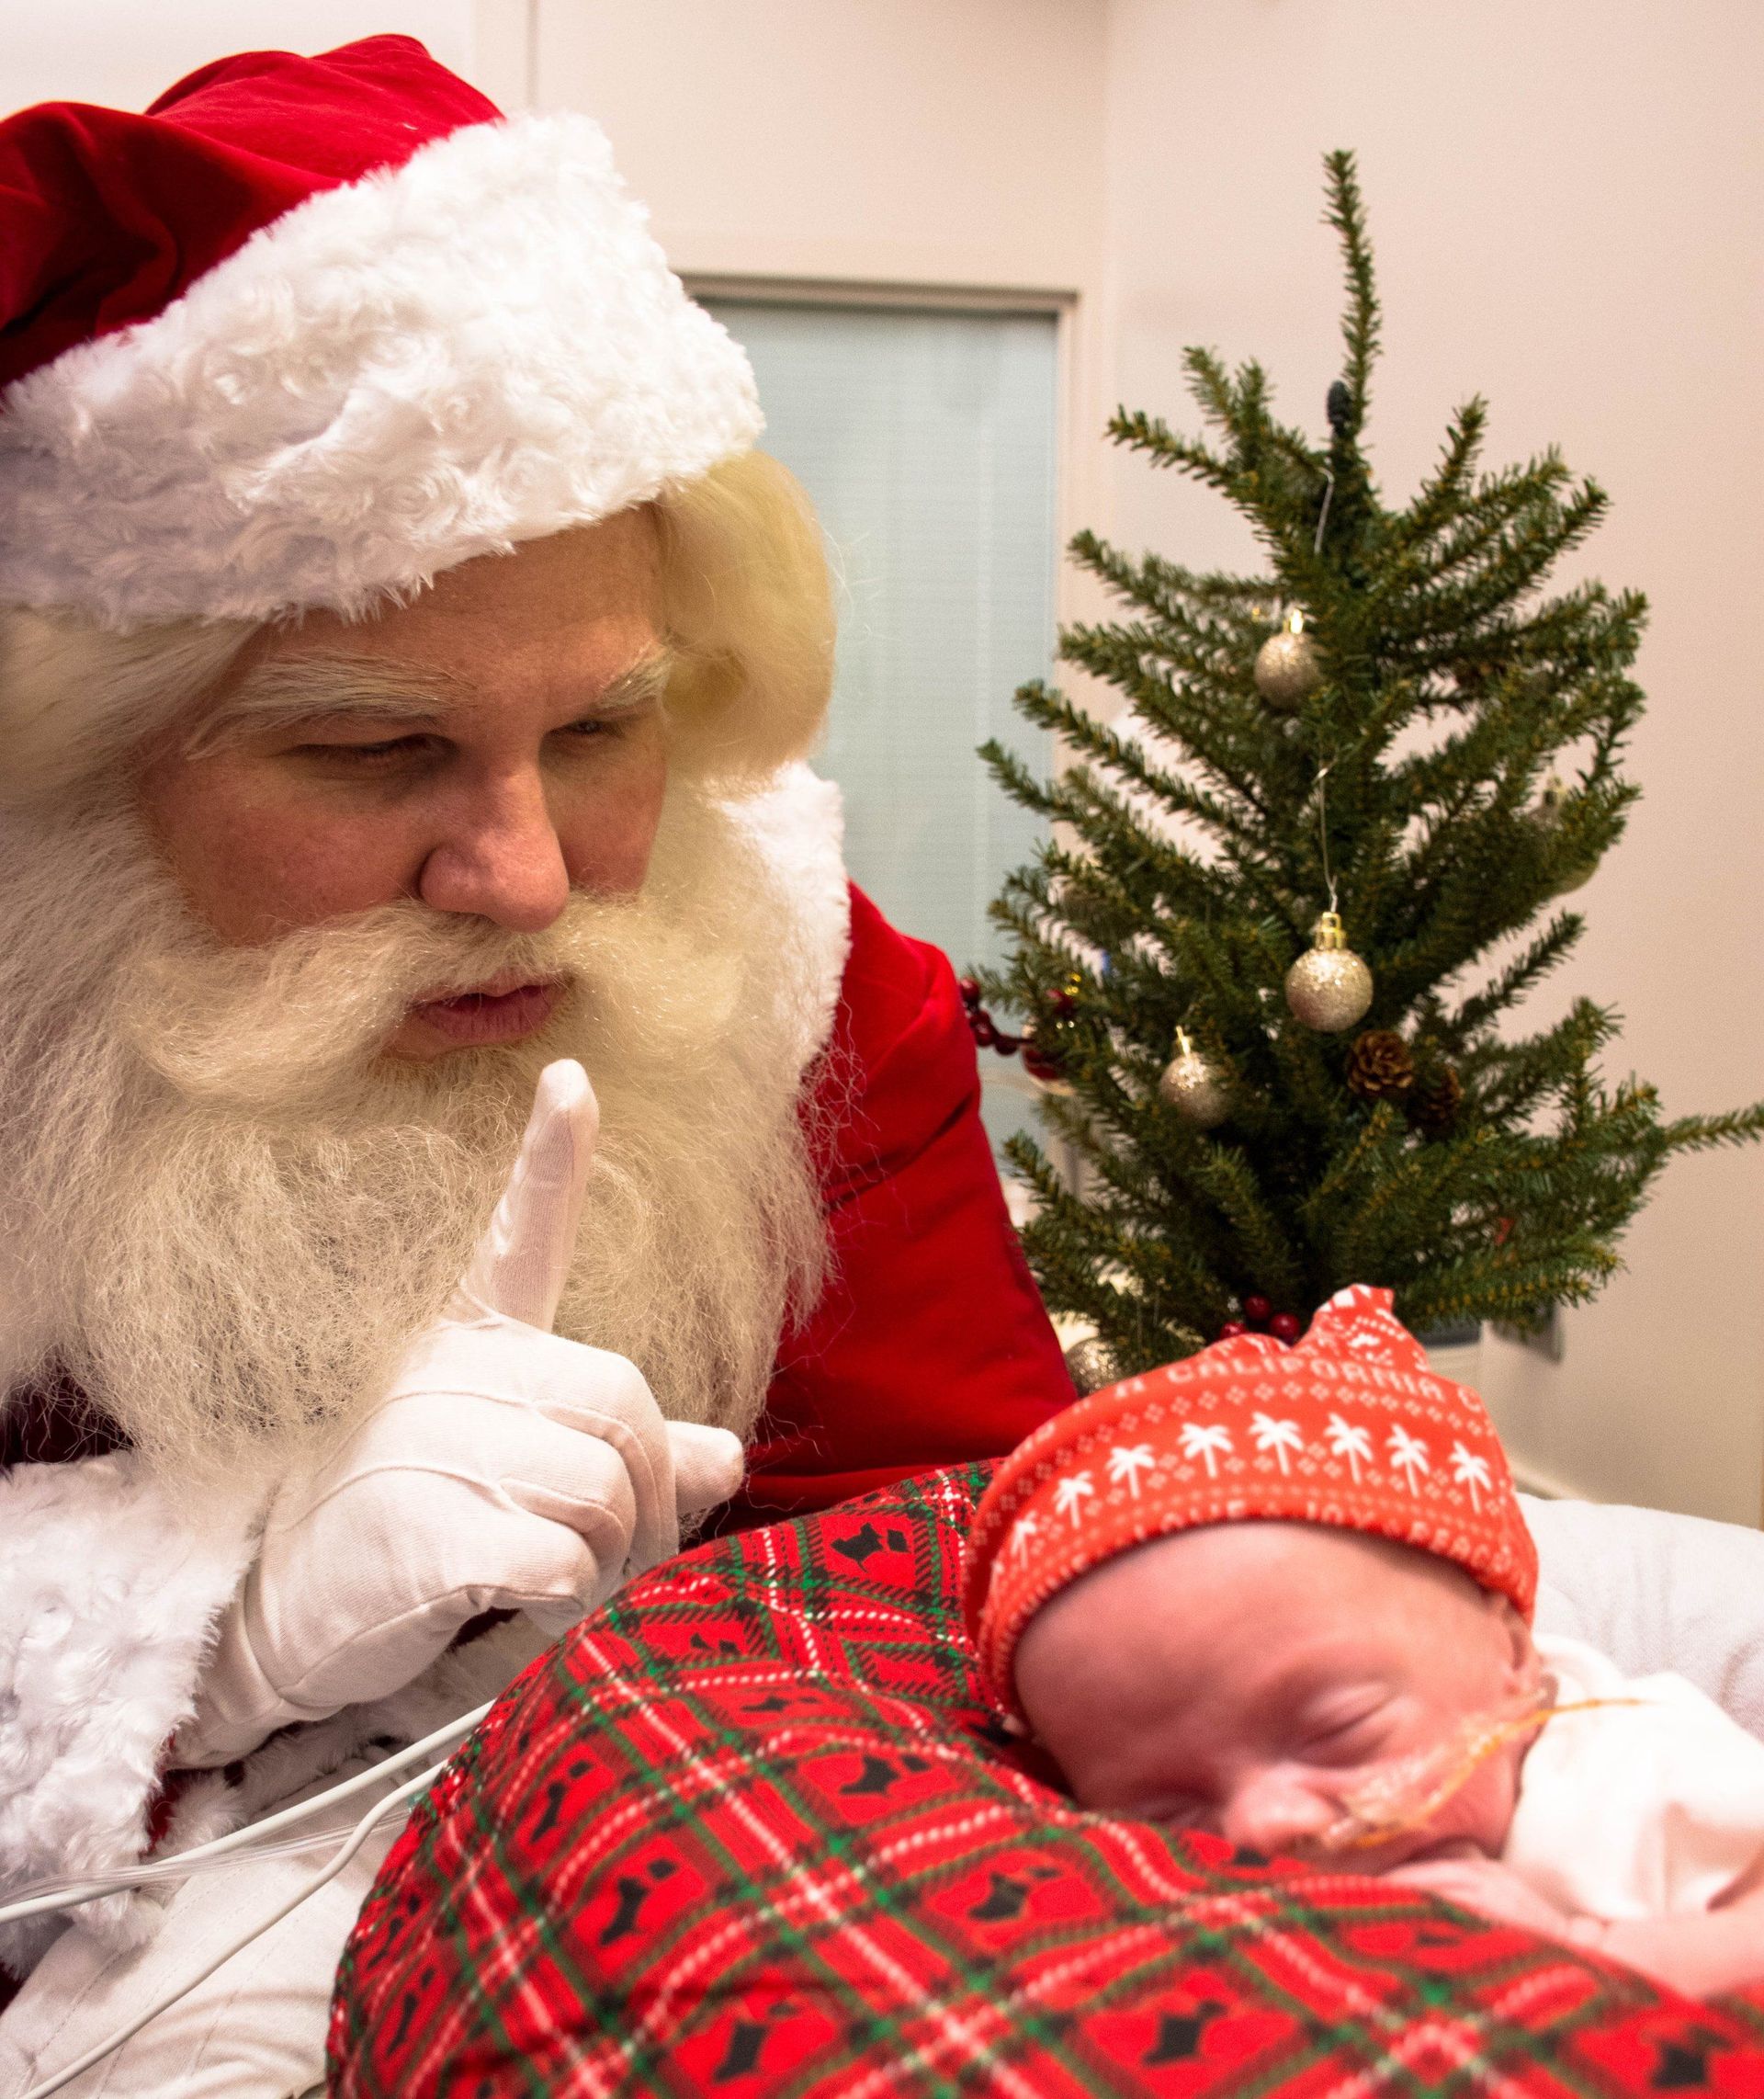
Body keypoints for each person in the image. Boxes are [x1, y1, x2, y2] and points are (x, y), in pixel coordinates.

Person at [0, 31, 1762, 2094]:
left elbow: (940, 1560)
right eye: (371, 747)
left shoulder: (800, 995)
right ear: (80, 762)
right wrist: (208, 1616)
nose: (528, 874)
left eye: (603, 728)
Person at [967, 1285, 1764, 2001]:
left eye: (1338, 1729)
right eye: (1167, 1811)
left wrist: (1595, 1949)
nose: (1263, 1826)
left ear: (1513, 1655)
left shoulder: (1637, 1769)